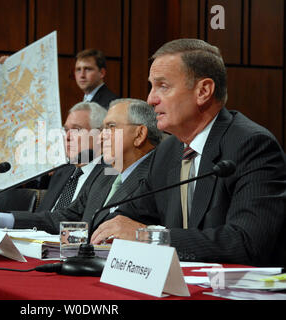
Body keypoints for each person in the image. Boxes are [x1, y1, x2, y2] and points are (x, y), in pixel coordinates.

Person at [91, 39, 286, 267]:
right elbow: (129, 217)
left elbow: (246, 242)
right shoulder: (167, 150)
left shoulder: (251, 145)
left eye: (163, 86)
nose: (151, 99)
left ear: (203, 91)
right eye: (151, 86)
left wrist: (149, 237)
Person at [0, 98, 163, 236]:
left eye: (110, 127)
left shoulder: (159, 175)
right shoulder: (106, 176)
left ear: (139, 134)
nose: (101, 136)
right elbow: (65, 217)